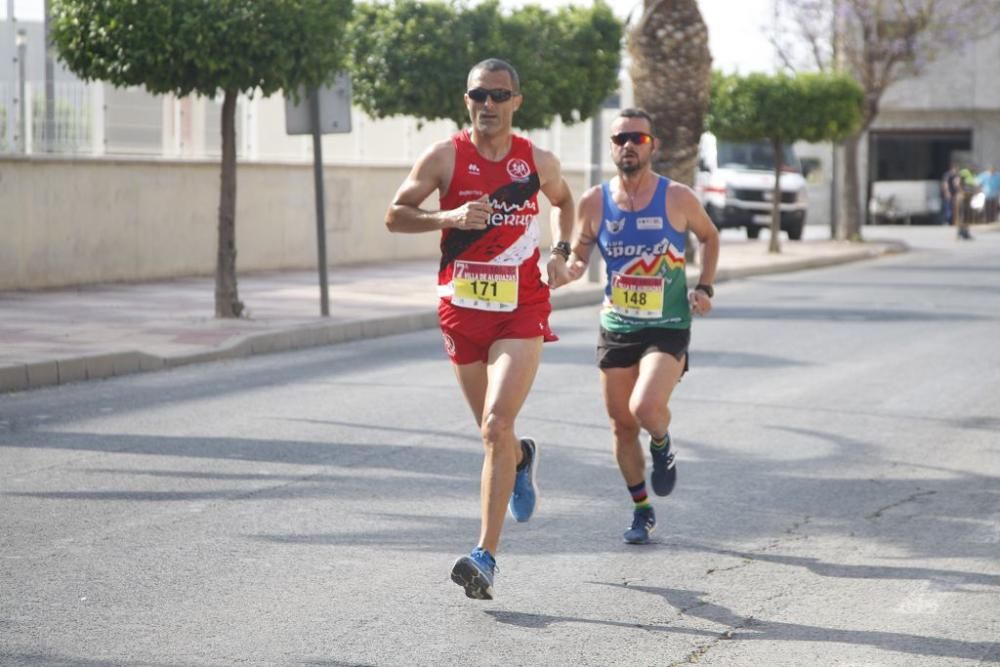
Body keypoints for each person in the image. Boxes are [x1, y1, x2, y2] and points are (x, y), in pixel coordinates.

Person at [384, 58, 574, 599]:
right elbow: (395, 215)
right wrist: (448, 217)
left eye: (498, 95)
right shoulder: (444, 156)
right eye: (478, 95)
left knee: (494, 426)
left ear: (517, 100)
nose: (487, 104)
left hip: (521, 309)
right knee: (495, 436)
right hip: (461, 310)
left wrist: (560, 252)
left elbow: (564, 205)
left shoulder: (536, 160)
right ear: (465, 99)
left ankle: (485, 557)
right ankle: (521, 458)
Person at [552, 108, 720, 544]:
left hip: (667, 324)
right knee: (621, 425)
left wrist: (705, 287)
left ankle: (661, 443)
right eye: (621, 138)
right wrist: (563, 272)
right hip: (617, 325)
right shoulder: (593, 202)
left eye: (638, 139)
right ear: (612, 147)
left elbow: (710, 235)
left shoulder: (677, 198)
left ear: (653, 146)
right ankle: (642, 509)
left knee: (644, 409)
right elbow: (578, 260)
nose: (629, 145)